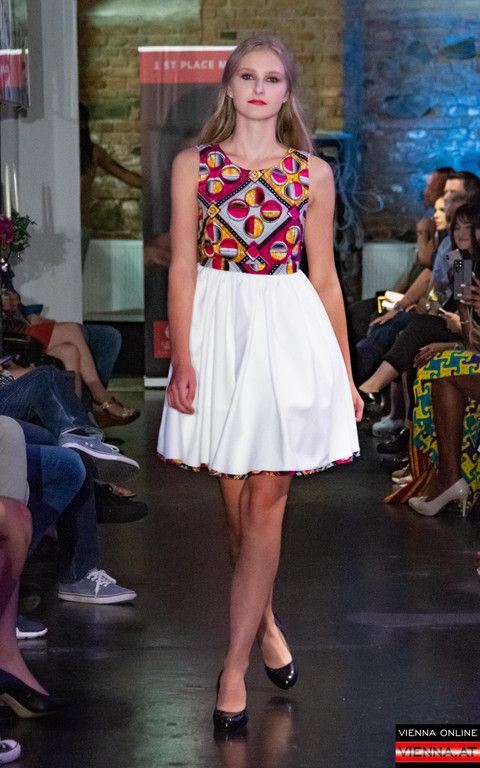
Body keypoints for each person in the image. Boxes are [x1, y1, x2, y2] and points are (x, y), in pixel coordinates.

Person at [157, 34, 362, 730]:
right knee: (239, 512)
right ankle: (266, 623)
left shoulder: (312, 175)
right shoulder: (194, 166)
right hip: (220, 330)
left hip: (288, 331)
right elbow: (181, 264)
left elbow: (325, 278)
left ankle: (233, 668)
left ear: (286, 92)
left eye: (272, 79)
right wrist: (182, 357)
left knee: (267, 500)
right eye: (247, 76)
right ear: (229, 85)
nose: (258, 88)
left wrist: (346, 372)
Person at [80, 102, 142, 266]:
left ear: (83, 123)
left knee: (74, 274)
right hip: (62, 223)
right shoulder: (58, 151)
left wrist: (156, 182)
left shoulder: (93, 152)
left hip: (81, 223)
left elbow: (124, 174)